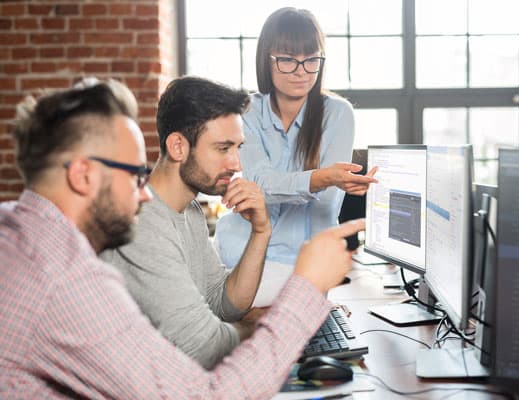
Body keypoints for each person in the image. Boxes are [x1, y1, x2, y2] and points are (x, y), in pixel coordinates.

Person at [0, 78, 365, 399]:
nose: (142, 193)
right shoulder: (64, 275)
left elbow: (221, 305)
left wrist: (261, 232)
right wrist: (302, 294)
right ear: (82, 176)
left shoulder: (18, 227)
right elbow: (205, 384)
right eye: (132, 174)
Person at [99, 76, 272, 369]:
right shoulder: (142, 221)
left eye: (237, 148)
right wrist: (282, 323)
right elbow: (204, 348)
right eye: (222, 148)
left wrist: (261, 231)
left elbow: (224, 304)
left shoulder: (189, 210)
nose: (236, 164)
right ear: (178, 146)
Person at [215, 7, 377, 273]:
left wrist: (290, 187)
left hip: (309, 260)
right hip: (242, 252)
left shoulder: (338, 113)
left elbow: (325, 204)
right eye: (288, 60)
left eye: (312, 59)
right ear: (267, 60)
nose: (301, 71)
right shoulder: (247, 111)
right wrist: (322, 178)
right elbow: (259, 183)